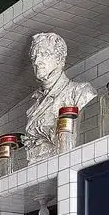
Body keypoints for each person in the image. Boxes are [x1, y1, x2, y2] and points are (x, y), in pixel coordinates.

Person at [24, 32, 96, 161]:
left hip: (67, 165)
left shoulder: (80, 92)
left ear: (59, 59)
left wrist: (45, 132)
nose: (37, 61)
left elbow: (78, 137)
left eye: (44, 54)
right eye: (34, 56)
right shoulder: (34, 104)